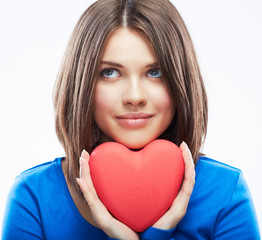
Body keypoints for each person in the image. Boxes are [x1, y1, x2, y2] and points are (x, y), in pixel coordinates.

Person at [2, 0, 260, 239]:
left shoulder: (224, 192)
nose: (135, 96)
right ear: (81, 85)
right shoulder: (34, 197)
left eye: (155, 72)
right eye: (110, 72)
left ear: (180, 80)